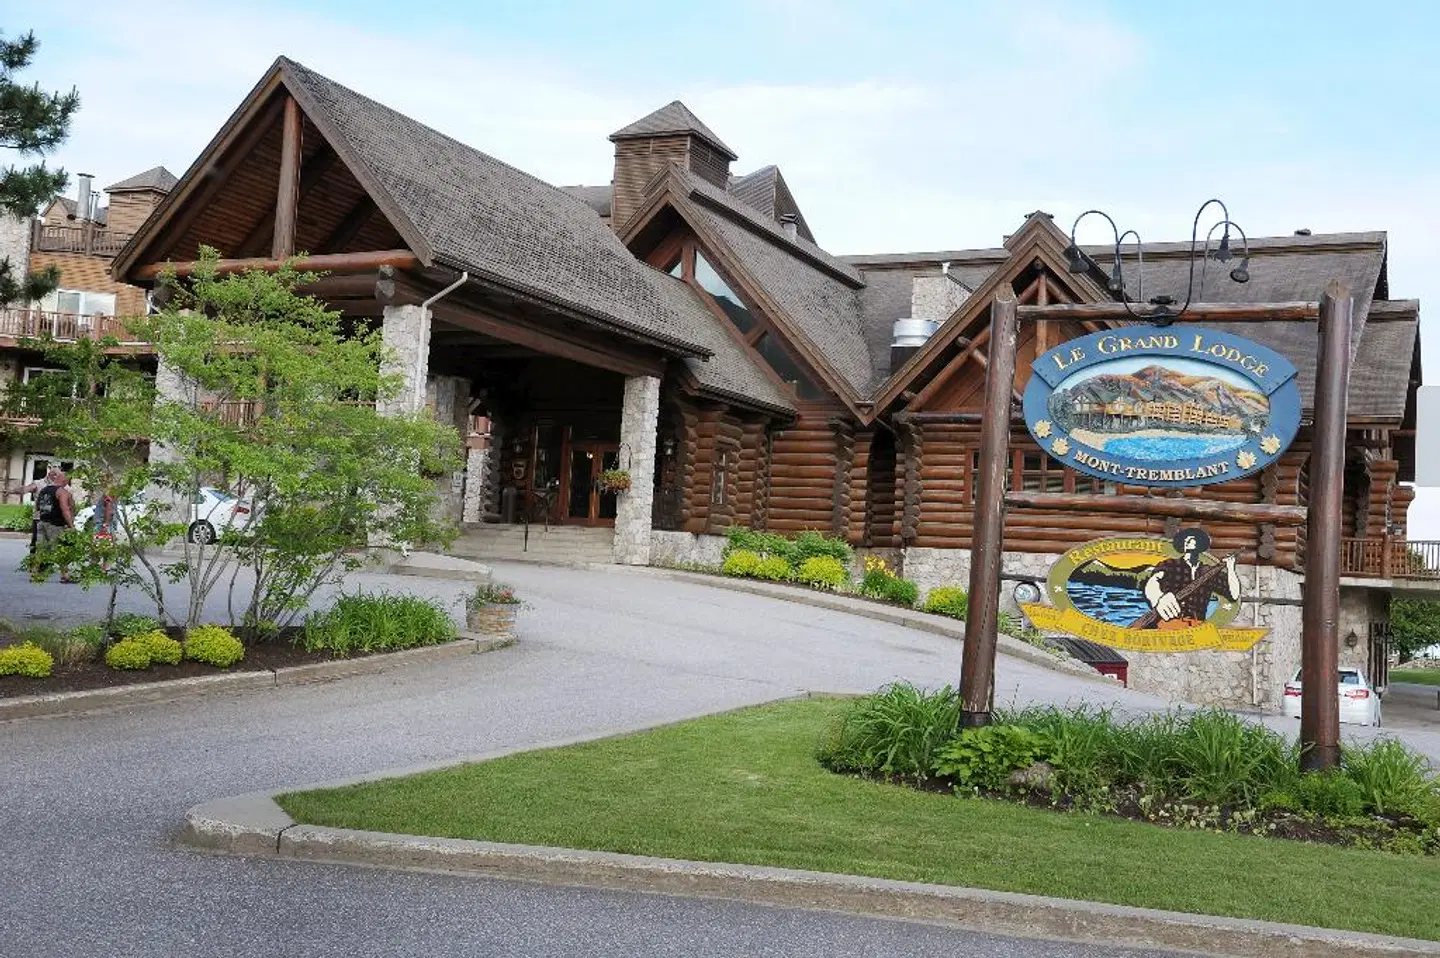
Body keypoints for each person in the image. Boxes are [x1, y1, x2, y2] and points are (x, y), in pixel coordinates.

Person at [1142, 527, 1241, 628]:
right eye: (1185, 539)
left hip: (1197, 628)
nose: (1186, 541)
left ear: (1200, 543)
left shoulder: (1209, 571)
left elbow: (1234, 595)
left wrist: (1230, 568)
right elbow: (1153, 582)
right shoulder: (1171, 564)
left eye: (1191, 538)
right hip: (1167, 625)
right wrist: (1158, 598)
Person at [31, 469, 77, 582]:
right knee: (60, 549)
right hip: (55, 524)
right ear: (64, 480)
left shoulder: (44, 490)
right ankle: (64, 576)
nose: (68, 482)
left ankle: (34, 574)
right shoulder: (62, 492)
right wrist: (71, 525)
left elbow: (37, 506)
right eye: (68, 480)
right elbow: (65, 509)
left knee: (40, 549)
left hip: (42, 522)